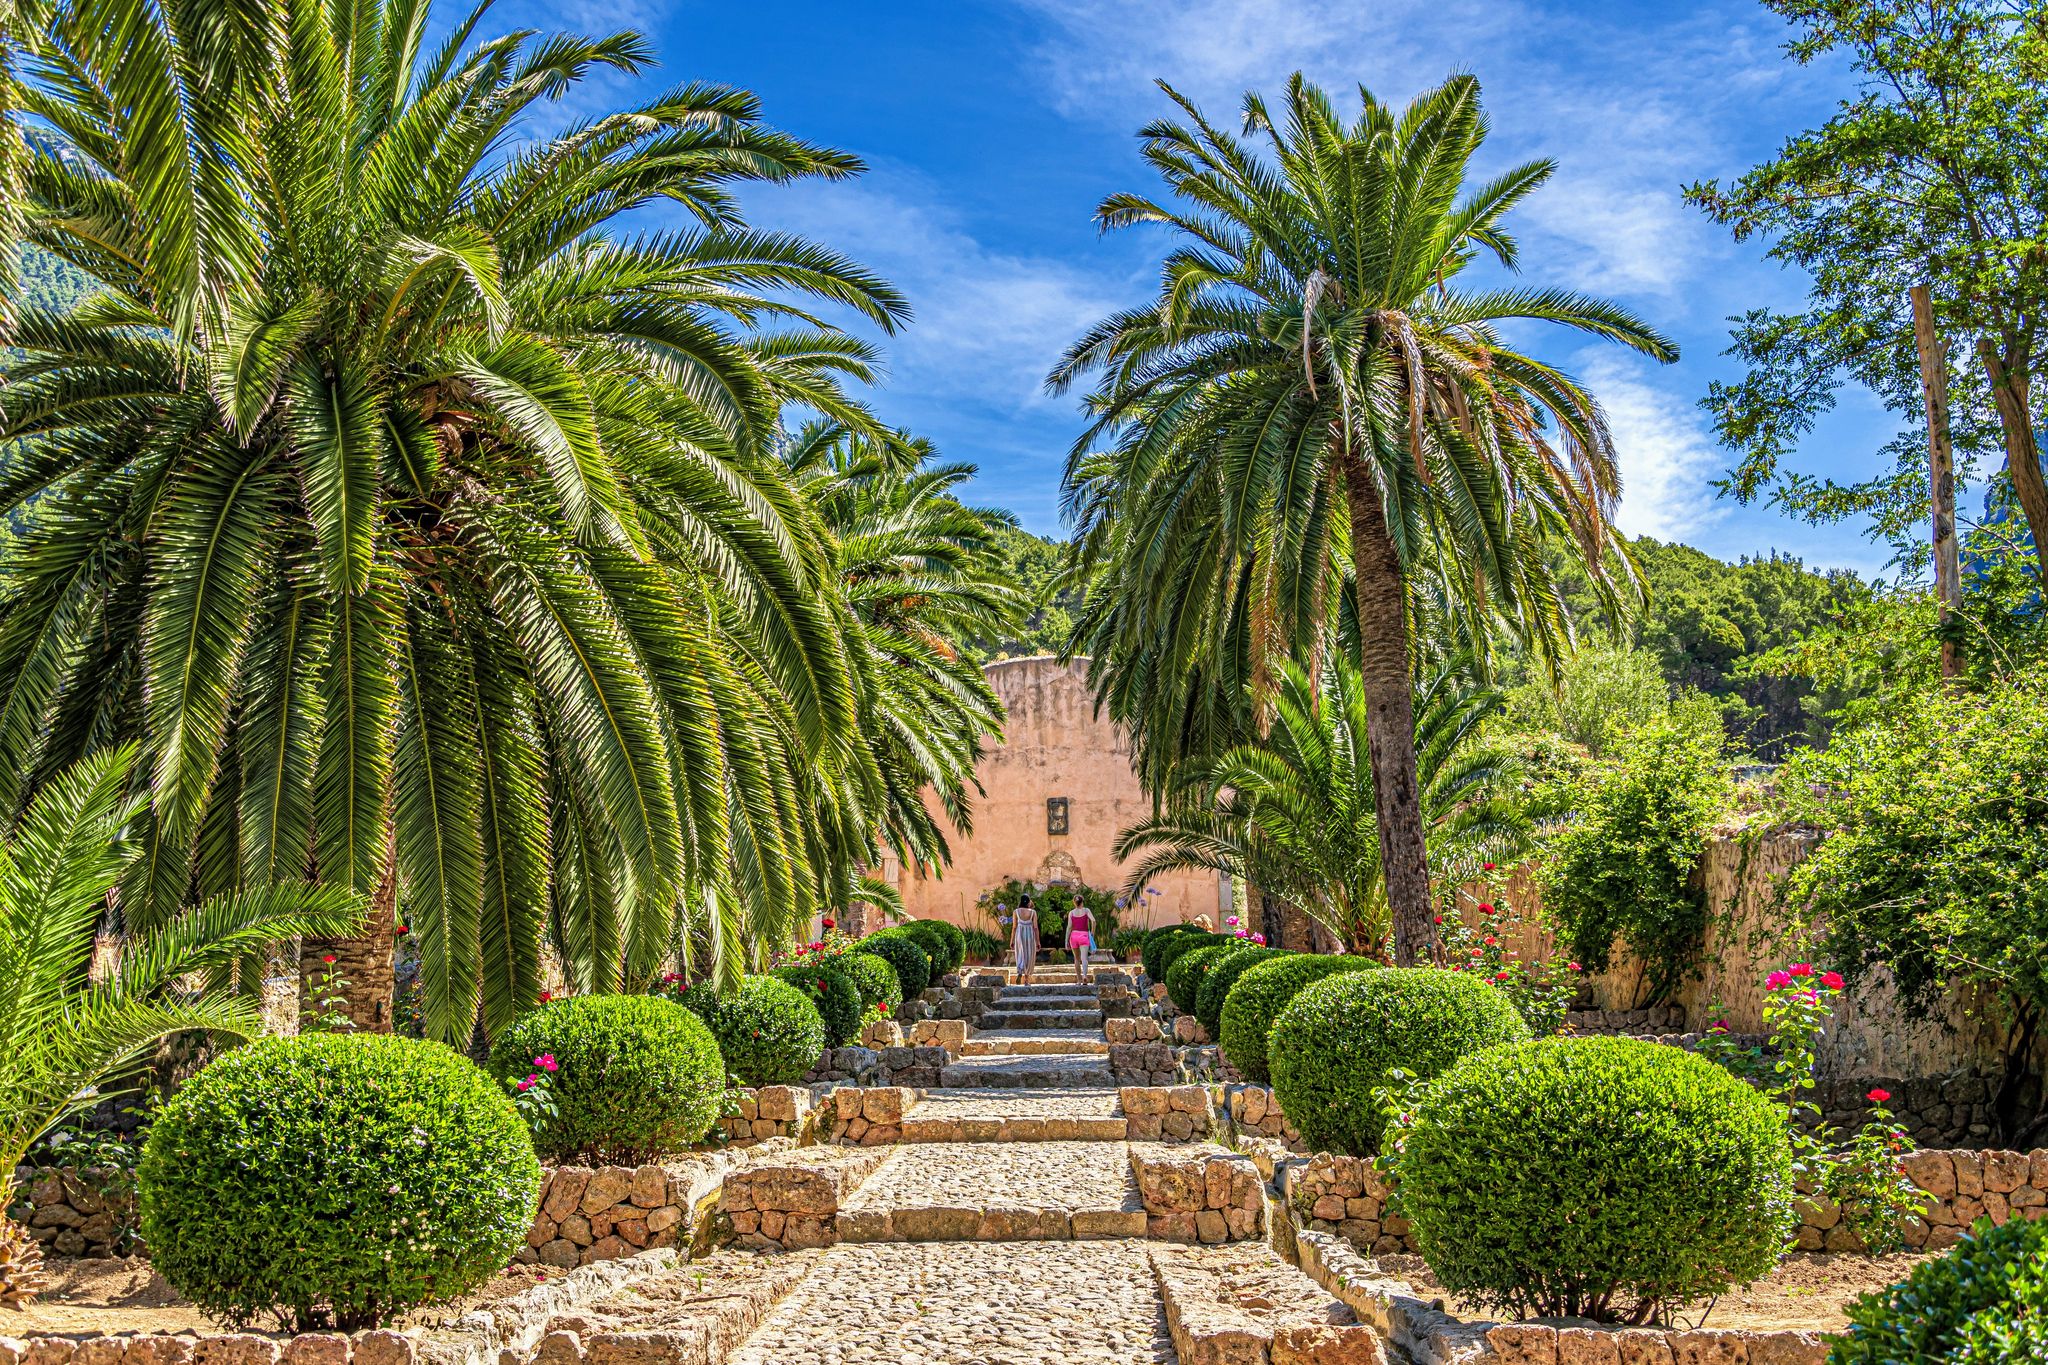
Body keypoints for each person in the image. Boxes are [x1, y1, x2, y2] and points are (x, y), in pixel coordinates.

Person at [1067, 895, 1096, 985]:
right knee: (1084, 958)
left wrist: (1066, 941)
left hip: (1074, 936)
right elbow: (1094, 921)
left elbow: (1069, 927)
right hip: (1084, 935)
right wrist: (1092, 933)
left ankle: (1079, 980)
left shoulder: (1071, 913)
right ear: (1082, 902)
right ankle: (1084, 976)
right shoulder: (1086, 910)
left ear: (1074, 903)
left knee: (1076, 959)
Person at [1011, 893, 1039, 984]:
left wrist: (1011, 940)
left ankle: (1020, 970)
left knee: (1020, 953)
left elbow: (1014, 927)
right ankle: (1026, 979)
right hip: (1030, 935)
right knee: (1029, 954)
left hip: (1019, 934)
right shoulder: (1033, 912)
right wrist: (1038, 941)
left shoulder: (1016, 912)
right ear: (1028, 901)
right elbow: (1035, 928)